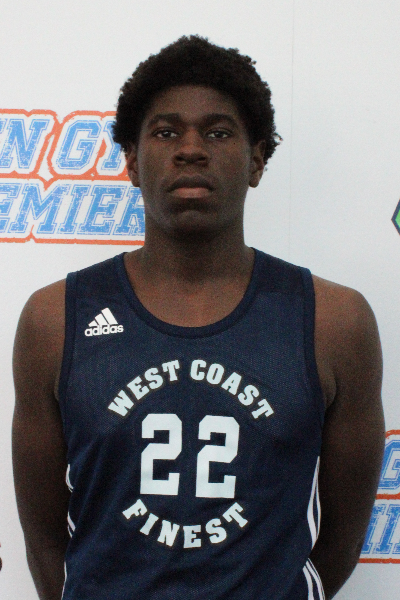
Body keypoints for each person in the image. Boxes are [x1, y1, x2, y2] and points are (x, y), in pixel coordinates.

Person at [12, 36, 385, 600]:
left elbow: (342, 540)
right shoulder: (54, 320)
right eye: (166, 133)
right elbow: (44, 541)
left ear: (256, 160)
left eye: (218, 132)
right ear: (132, 161)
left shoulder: (334, 322)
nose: (191, 149)